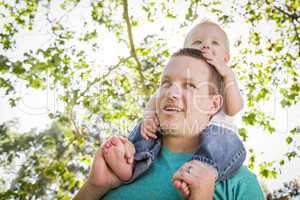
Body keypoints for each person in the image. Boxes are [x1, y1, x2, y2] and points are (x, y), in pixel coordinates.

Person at [74, 48, 264, 200]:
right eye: (165, 83)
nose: (171, 93)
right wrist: (94, 189)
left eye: (189, 85)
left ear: (213, 104)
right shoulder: (123, 164)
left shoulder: (239, 182)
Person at [100, 20, 245, 196]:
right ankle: (131, 162)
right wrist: (148, 117)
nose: (205, 45)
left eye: (214, 42)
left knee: (224, 142)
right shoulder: (174, 80)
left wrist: (228, 74)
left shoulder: (226, 79)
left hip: (218, 138)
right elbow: (155, 99)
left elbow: (233, 109)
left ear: (225, 58)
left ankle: (202, 170)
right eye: (197, 42)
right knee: (146, 131)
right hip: (171, 125)